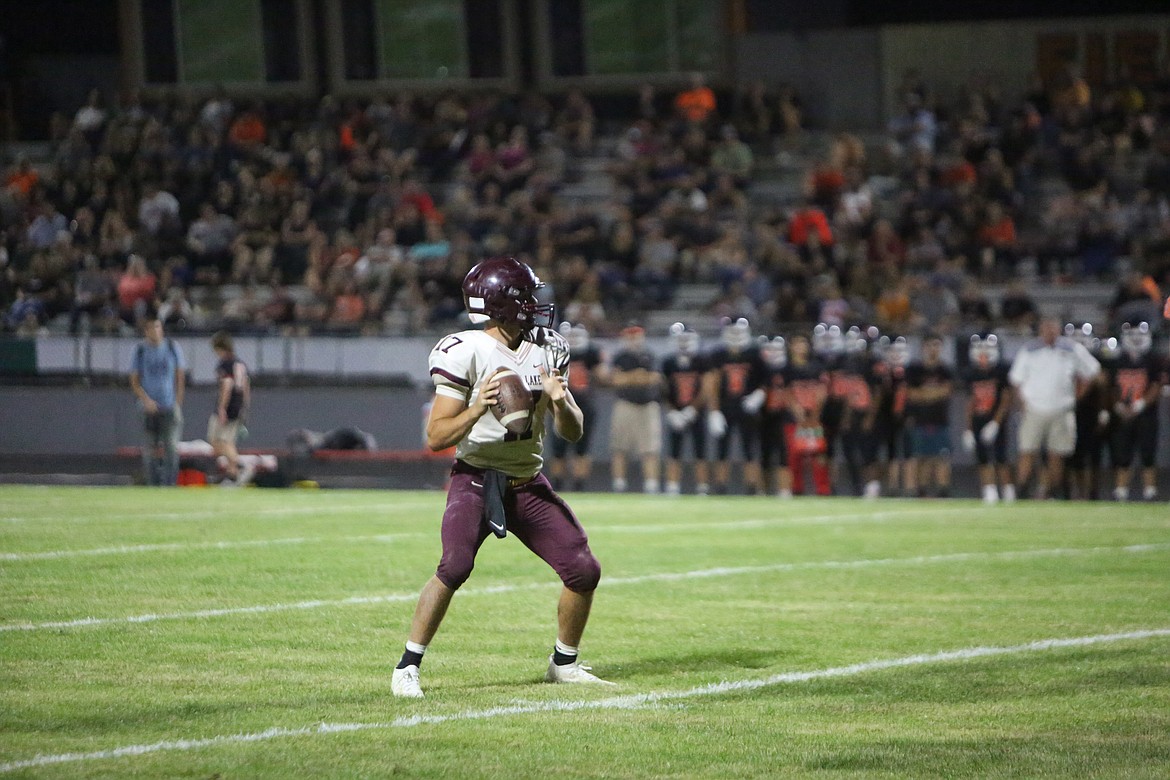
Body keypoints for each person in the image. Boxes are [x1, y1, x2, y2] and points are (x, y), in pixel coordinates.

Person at [391, 256, 608, 699]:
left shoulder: (549, 347)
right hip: (476, 476)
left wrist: (560, 400)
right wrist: (476, 407)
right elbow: (436, 437)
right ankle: (407, 666)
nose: (536, 303)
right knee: (454, 566)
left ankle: (563, 664)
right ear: (505, 303)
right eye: (527, 295)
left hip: (527, 479)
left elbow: (573, 431)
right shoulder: (466, 350)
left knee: (583, 570)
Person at [1008, 317, 1101, 499]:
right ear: (1040, 329)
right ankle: (1021, 490)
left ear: (1058, 329)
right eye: (1046, 327)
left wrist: (1076, 397)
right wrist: (1023, 403)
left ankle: (1055, 491)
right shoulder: (1029, 350)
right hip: (1034, 407)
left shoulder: (1072, 349)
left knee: (1056, 454)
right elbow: (1016, 380)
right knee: (1027, 450)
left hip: (1062, 408)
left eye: (1053, 327)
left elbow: (1092, 372)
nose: (1049, 331)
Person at [1105, 322, 1167, 501]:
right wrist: (1118, 406)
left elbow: (1156, 386)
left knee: (1148, 453)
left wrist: (1140, 405)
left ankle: (1150, 490)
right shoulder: (1117, 360)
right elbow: (1112, 388)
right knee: (1123, 453)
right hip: (1123, 413)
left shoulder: (1154, 360)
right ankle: (1121, 490)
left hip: (1145, 414)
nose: (1136, 339)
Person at [704, 318, 763, 494]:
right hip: (725, 406)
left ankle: (752, 486)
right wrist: (714, 411)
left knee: (750, 447)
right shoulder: (718, 355)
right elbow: (712, 382)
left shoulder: (754, 354)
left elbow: (766, 378)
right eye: (732, 331)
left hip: (748, 406)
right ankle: (720, 485)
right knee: (722, 449)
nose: (736, 335)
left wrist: (758, 395)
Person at [548, 322, 606, 492]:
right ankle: (557, 486)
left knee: (582, 448)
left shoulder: (592, 353)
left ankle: (579, 486)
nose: (573, 339)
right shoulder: (554, 353)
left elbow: (603, 377)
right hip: (559, 404)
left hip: (585, 404)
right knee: (558, 449)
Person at [129, 314, 186, 486]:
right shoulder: (140, 350)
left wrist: (177, 401)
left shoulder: (171, 348)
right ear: (146, 331)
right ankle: (153, 484)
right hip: (148, 407)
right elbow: (134, 381)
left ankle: (169, 485)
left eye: (158, 326)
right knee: (149, 449)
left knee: (171, 448)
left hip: (168, 405)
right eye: (151, 327)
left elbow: (180, 376)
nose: (155, 331)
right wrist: (146, 400)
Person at [608, 324, 664, 493]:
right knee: (619, 447)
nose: (633, 339)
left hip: (647, 405)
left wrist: (629, 377)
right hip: (625, 404)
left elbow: (654, 378)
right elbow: (616, 380)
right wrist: (637, 376)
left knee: (650, 449)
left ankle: (651, 485)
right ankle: (618, 484)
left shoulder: (650, 355)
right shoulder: (620, 356)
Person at [961, 334, 1015, 504]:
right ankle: (989, 491)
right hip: (979, 419)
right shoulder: (971, 373)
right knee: (982, 458)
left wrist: (996, 423)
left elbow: (1006, 399)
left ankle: (1008, 492)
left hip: (996, 420)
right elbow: (969, 402)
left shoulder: (1001, 371)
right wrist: (968, 428)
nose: (983, 353)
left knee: (1001, 457)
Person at [661, 322, 710, 496]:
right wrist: (672, 411)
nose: (683, 342)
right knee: (674, 451)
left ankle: (703, 487)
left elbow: (706, 387)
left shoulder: (701, 360)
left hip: (696, 412)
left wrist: (692, 410)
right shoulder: (668, 362)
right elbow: (664, 388)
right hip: (676, 411)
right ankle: (673, 487)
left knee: (700, 451)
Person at [904, 333, 955, 497]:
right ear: (923, 347)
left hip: (940, 419)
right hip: (920, 420)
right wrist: (934, 393)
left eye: (937, 345)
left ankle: (943, 490)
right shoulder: (915, 369)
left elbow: (946, 392)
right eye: (930, 345)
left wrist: (925, 394)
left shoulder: (945, 370)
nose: (933, 349)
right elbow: (911, 394)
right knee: (922, 457)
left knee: (942, 457)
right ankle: (922, 490)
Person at [209, 330, 252, 485]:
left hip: (228, 407)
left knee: (216, 441)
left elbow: (227, 385)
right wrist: (245, 407)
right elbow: (246, 387)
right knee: (228, 441)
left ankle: (240, 465)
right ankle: (232, 472)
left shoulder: (225, 364)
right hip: (238, 406)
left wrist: (221, 408)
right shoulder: (240, 364)